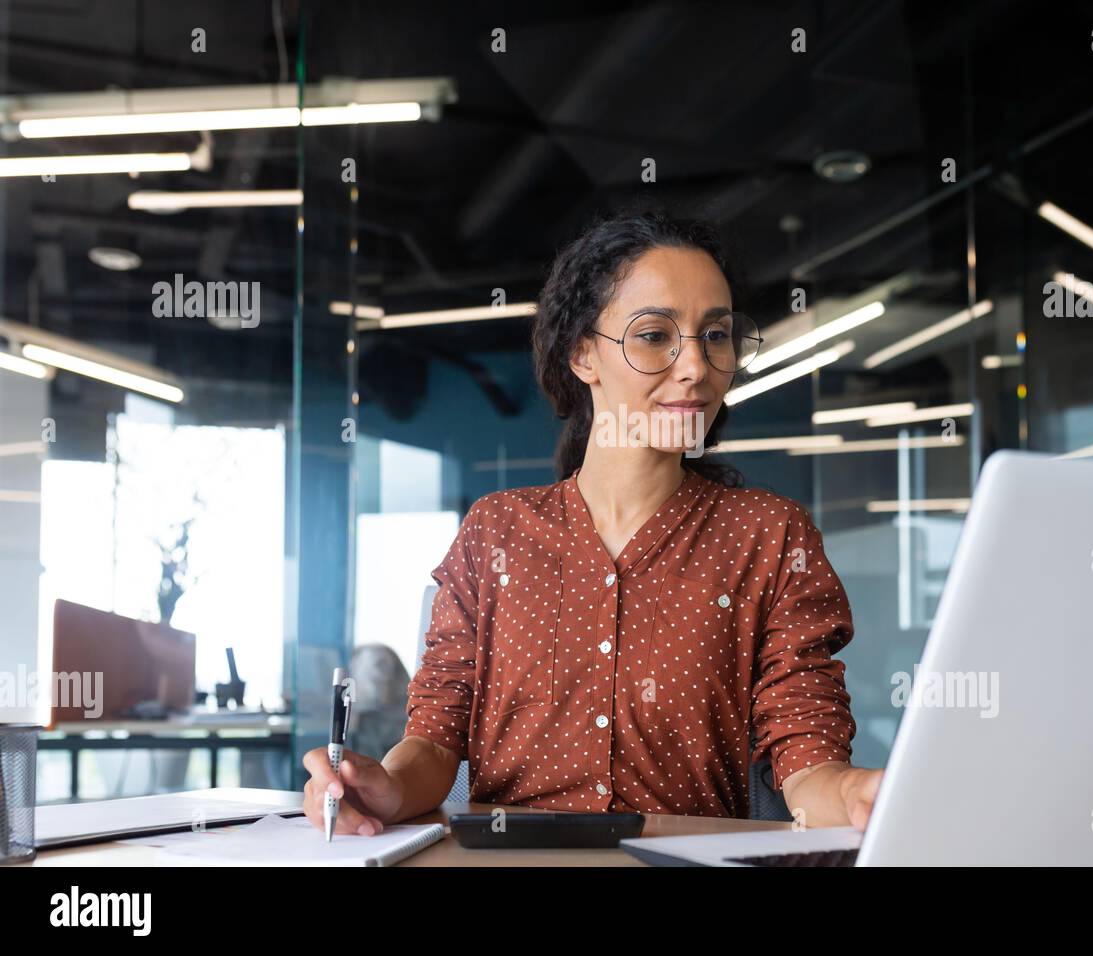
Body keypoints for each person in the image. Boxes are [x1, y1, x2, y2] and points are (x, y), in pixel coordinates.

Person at [302, 209, 883, 835]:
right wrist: (383, 788)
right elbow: (435, 744)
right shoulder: (496, 532)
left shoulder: (768, 537)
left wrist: (856, 794)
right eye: (655, 335)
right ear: (584, 354)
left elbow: (808, 757)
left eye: (715, 336)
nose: (696, 367)